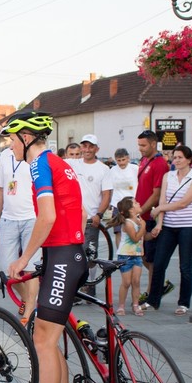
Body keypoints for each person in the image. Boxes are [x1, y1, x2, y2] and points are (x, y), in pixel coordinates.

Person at [0, 111, 87, 383]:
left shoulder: (39, 165)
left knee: (43, 340)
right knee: (50, 336)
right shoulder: (59, 162)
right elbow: (75, 213)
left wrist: (23, 258)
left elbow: (48, 215)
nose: (9, 145)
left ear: (26, 138)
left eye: (11, 139)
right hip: (65, 254)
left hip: (63, 256)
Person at [145, 145, 192, 315]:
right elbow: (163, 199)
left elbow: (183, 203)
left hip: (189, 226)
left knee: (185, 266)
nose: (176, 161)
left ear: (189, 160)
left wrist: (159, 208)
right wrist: (159, 223)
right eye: (174, 157)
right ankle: (153, 299)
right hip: (169, 226)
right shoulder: (167, 176)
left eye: (180, 157)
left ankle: (183, 303)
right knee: (159, 263)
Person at [0, 145, 39, 323]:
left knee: (31, 268)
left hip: (32, 218)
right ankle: (29, 299)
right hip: (8, 218)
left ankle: (28, 313)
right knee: (7, 268)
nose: (11, 140)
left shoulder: (33, 155)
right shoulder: (4, 155)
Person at [67, 135, 112, 297]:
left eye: (90, 146)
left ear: (96, 149)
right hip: (73, 218)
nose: (86, 149)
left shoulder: (103, 169)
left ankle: (90, 286)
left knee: (90, 254)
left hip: (91, 219)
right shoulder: (73, 164)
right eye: (84, 146)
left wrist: (99, 214)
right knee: (74, 254)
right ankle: (77, 287)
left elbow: (107, 195)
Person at [135, 130, 171, 303]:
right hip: (142, 214)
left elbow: (157, 194)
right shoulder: (144, 160)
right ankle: (159, 283)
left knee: (151, 256)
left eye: (143, 145)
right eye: (139, 145)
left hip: (151, 215)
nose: (140, 149)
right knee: (143, 255)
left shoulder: (160, 164)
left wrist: (141, 211)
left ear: (153, 144)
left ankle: (151, 291)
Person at [107, 197, 145, 316]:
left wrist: (151, 234)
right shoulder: (128, 223)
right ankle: (121, 306)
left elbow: (142, 238)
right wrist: (143, 226)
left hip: (137, 255)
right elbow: (135, 238)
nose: (139, 203)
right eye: (136, 202)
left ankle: (135, 304)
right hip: (125, 255)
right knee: (126, 282)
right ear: (131, 210)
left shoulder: (139, 220)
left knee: (136, 281)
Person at [108, 148, 138, 248]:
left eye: (123, 160)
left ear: (128, 158)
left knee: (133, 230)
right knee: (118, 231)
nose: (121, 163)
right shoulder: (112, 170)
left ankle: (132, 254)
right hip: (117, 204)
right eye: (119, 160)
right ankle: (120, 254)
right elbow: (110, 188)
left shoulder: (135, 169)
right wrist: (109, 204)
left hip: (131, 204)